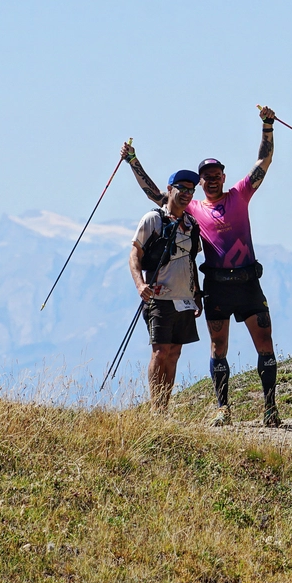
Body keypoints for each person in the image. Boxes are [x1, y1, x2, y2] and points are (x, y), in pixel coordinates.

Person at [122, 105, 280, 427]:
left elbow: (263, 162)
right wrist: (134, 162)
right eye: (204, 178)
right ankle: (223, 409)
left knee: (264, 344)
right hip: (218, 286)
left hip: (248, 281)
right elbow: (158, 195)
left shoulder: (239, 194)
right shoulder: (192, 208)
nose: (209, 182)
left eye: (214, 176)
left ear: (224, 176)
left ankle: (270, 409)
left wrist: (267, 126)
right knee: (217, 347)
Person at [129, 169, 203, 412]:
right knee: (160, 352)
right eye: (182, 188)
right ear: (170, 189)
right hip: (159, 298)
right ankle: (155, 409)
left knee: (174, 353)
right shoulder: (153, 219)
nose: (187, 193)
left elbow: (191, 261)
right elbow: (134, 254)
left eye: (191, 190)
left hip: (184, 298)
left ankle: (164, 408)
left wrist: (197, 295)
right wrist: (140, 285)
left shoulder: (192, 225)